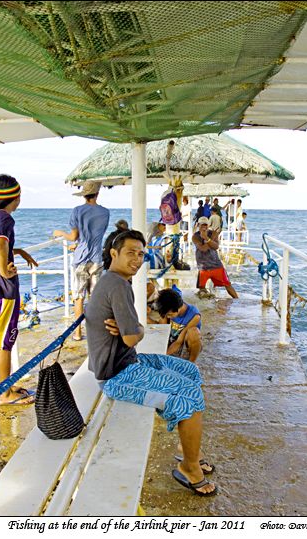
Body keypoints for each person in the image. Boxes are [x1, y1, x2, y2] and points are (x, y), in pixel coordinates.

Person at [84, 229, 217, 496]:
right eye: (130, 253)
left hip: (129, 362)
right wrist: (138, 330)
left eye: (141, 254)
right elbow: (133, 336)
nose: (137, 259)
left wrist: (134, 330)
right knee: (188, 392)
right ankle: (189, 469)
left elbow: (130, 335)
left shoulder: (115, 282)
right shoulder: (117, 285)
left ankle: (185, 448)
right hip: (116, 376)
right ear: (114, 253)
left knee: (188, 370)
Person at [0, 174, 38, 406]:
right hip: (2, 289)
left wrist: (17, 251)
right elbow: (0, 244)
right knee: (4, 342)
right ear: (16, 196)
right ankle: (5, 394)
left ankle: (7, 386)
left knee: (1, 340)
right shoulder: (5, 218)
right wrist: (5, 269)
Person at [53, 180, 109, 341]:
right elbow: (94, 236)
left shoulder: (77, 211)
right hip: (97, 258)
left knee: (79, 298)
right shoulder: (105, 212)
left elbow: (74, 236)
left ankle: (77, 333)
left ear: (84, 195)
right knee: (95, 298)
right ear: (97, 194)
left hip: (81, 260)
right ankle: (97, 333)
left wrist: (60, 233)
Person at [192, 216, 238, 299]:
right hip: (203, 267)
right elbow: (203, 249)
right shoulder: (195, 236)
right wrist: (210, 238)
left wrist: (207, 237)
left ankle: (238, 301)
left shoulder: (212, 233)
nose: (203, 227)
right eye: (201, 225)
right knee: (202, 289)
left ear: (208, 225)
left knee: (228, 285)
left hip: (216, 265)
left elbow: (216, 246)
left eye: (205, 225)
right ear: (198, 225)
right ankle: (206, 307)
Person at [156, 287, 202, 363]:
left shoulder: (194, 315)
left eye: (170, 315)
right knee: (161, 320)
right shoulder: (169, 309)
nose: (168, 317)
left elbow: (179, 341)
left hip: (183, 342)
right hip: (172, 339)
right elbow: (162, 332)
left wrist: (164, 356)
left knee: (194, 332)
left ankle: (191, 363)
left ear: (178, 308)